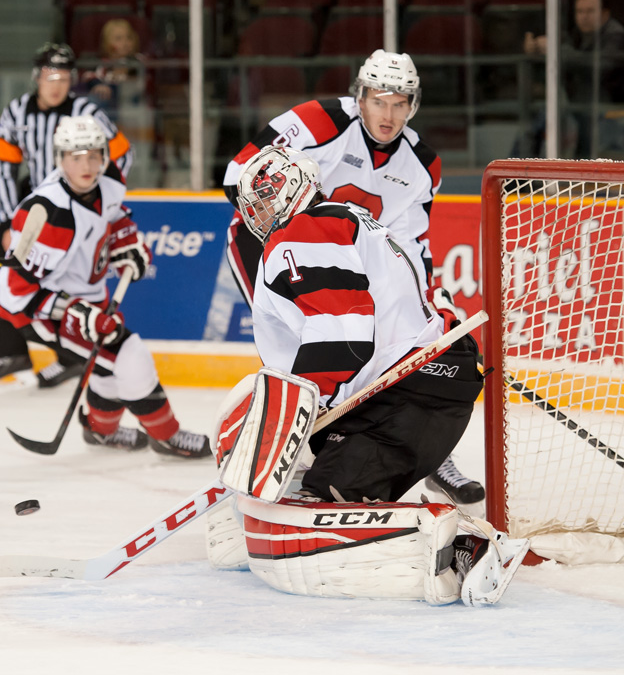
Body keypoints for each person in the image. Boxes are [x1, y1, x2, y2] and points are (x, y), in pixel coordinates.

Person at [205, 145, 528, 605]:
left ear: (296, 188)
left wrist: (298, 410)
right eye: (252, 201)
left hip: (405, 392)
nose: (257, 210)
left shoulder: (303, 231)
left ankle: (467, 546)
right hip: (414, 386)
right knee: (313, 490)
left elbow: (344, 334)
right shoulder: (347, 221)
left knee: (323, 505)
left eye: (266, 195)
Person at [220, 48, 485, 507]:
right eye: (380, 100)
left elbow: (411, 246)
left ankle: (426, 452)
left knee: (396, 339)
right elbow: (240, 177)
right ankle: (286, 437)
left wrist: (430, 298)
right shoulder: (320, 121)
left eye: (400, 102)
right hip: (279, 241)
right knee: (296, 337)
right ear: (360, 97)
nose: (389, 113)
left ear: (413, 105)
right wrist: (293, 244)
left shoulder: (422, 164)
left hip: (358, 255)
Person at [0, 115, 208, 458]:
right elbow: (16, 290)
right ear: (59, 159)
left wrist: (128, 245)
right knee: (130, 354)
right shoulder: (50, 214)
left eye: (94, 155)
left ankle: (100, 431)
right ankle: (167, 436)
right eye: (76, 157)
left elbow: (115, 216)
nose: (87, 165)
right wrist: (76, 312)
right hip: (39, 310)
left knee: (107, 365)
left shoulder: (108, 181)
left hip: (88, 298)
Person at [0, 42, 135, 391]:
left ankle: (71, 358)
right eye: (51, 76)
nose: (57, 85)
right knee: (2, 266)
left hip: (79, 205)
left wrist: (100, 195)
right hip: (36, 205)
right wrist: (9, 222)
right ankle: (13, 353)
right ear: (37, 78)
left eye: (64, 77)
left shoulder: (87, 111)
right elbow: (3, 169)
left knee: (73, 273)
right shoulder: (16, 112)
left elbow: (123, 154)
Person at [523, 0, 624, 157]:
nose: (584, 16)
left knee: (550, 115)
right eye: (580, 11)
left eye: (590, 11)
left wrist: (556, 50)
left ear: (605, 13)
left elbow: (602, 67)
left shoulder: (617, 36)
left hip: (609, 103)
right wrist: (537, 48)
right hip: (579, 103)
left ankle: (523, 172)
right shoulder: (578, 35)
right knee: (539, 118)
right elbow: (566, 56)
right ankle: (521, 170)